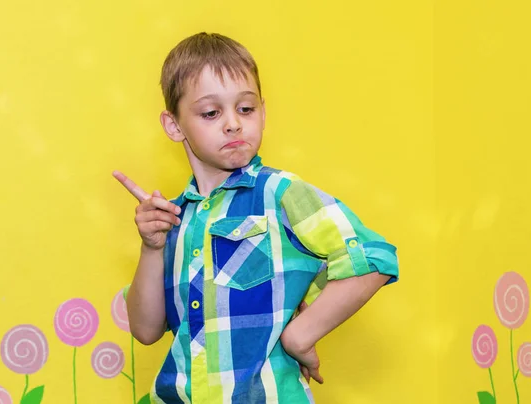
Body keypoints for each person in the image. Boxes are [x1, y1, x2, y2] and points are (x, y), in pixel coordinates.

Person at [113, 32, 399, 404]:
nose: (233, 124)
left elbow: (374, 256)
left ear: (263, 111)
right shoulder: (174, 217)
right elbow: (146, 330)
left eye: (245, 109)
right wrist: (152, 247)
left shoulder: (280, 193)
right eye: (211, 113)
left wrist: (301, 335)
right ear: (174, 125)